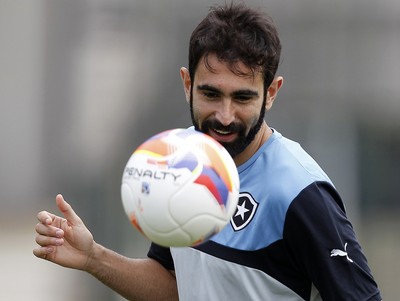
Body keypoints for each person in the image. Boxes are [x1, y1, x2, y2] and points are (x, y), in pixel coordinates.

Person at [34, 3, 382, 301]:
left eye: (243, 97)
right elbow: (174, 285)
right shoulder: (177, 162)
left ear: (271, 93)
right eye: (211, 94)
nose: (225, 116)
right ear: (187, 85)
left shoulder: (299, 193)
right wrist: (93, 257)